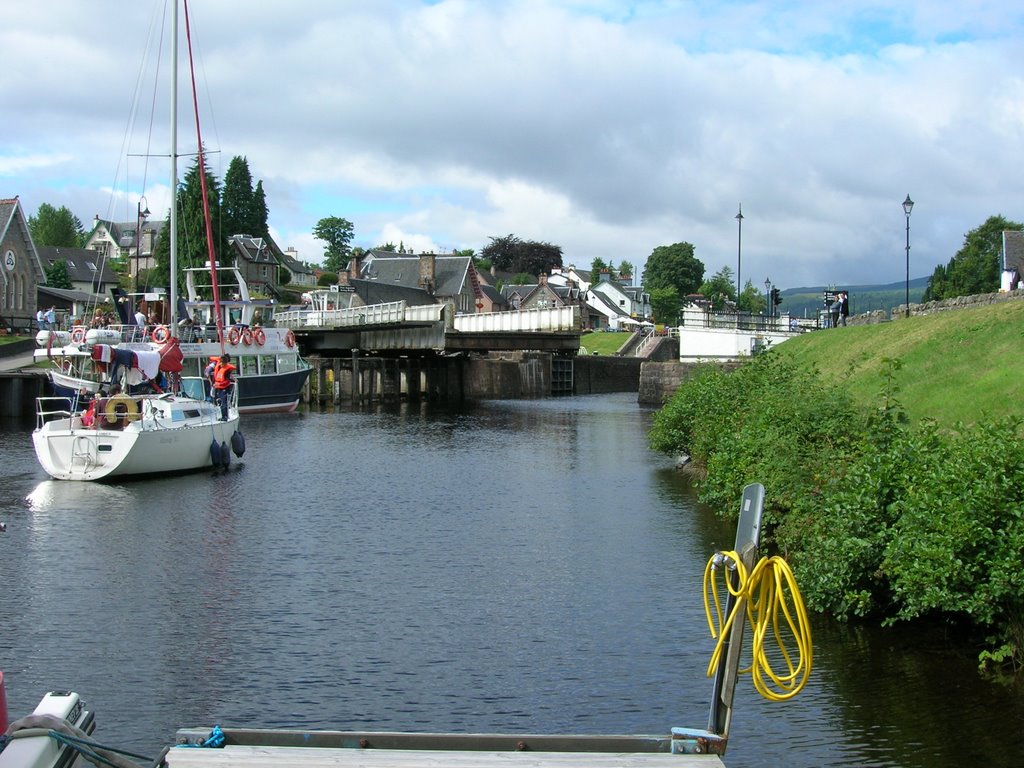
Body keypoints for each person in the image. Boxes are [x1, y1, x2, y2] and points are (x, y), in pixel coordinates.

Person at [212, 353, 236, 421]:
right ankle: (223, 416)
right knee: (220, 402)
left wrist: (218, 385)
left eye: (222, 363)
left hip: (224, 388)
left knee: (223, 402)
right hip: (219, 388)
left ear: (225, 363)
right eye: (220, 362)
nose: (220, 364)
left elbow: (227, 380)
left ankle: (225, 417)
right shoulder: (220, 367)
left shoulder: (227, 370)